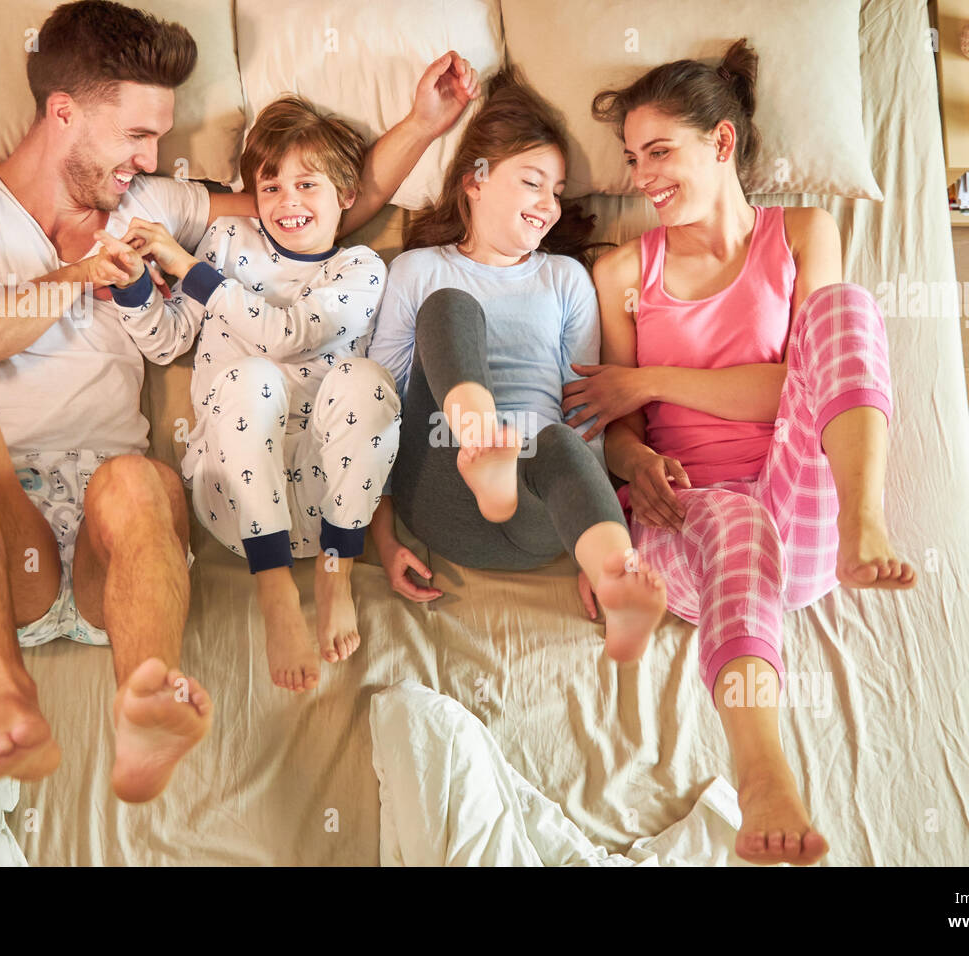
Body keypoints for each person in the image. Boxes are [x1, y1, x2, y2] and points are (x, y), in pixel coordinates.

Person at [0, 0, 477, 801]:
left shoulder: (150, 204)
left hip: (114, 532)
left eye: (158, 138)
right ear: (63, 113)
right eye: (136, 136)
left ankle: (145, 708)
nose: (152, 157)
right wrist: (82, 277)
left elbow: (318, 214)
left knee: (137, 479)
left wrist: (423, 123)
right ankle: (7, 694)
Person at [566, 38, 917, 863]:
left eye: (661, 151)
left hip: (808, 509)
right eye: (631, 158)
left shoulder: (802, 232)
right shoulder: (620, 272)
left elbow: (796, 382)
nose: (642, 176)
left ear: (722, 143)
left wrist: (651, 379)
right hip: (687, 528)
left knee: (845, 312)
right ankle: (762, 774)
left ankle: (866, 526)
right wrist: (635, 459)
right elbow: (614, 424)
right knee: (733, 527)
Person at [103, 96, 414, 693]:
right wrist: (135, 286)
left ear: (346, 195)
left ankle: (334, 573)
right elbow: (168, 343)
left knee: (368, 383)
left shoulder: (362, 268)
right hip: (235, 492)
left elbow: (288, 334)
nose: (286, 202)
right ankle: (273, 588)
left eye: (307, 184)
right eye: (270, 187)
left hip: (332, 492)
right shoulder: (224, 241)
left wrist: (190, 268)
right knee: (250, 379)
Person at [367, 69, 667, 658]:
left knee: (558, 440)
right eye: (532, 183)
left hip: (534, 519)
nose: (548, 205)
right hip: (440, 486)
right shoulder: (419, 270)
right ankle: (483, 450)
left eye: (556, 191)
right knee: (452, 307)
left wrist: (590, 534)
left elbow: (587, 416)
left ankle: (616, 584)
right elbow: (379, 406)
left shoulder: (567, 279)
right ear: (474, 182)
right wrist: (380, 537)